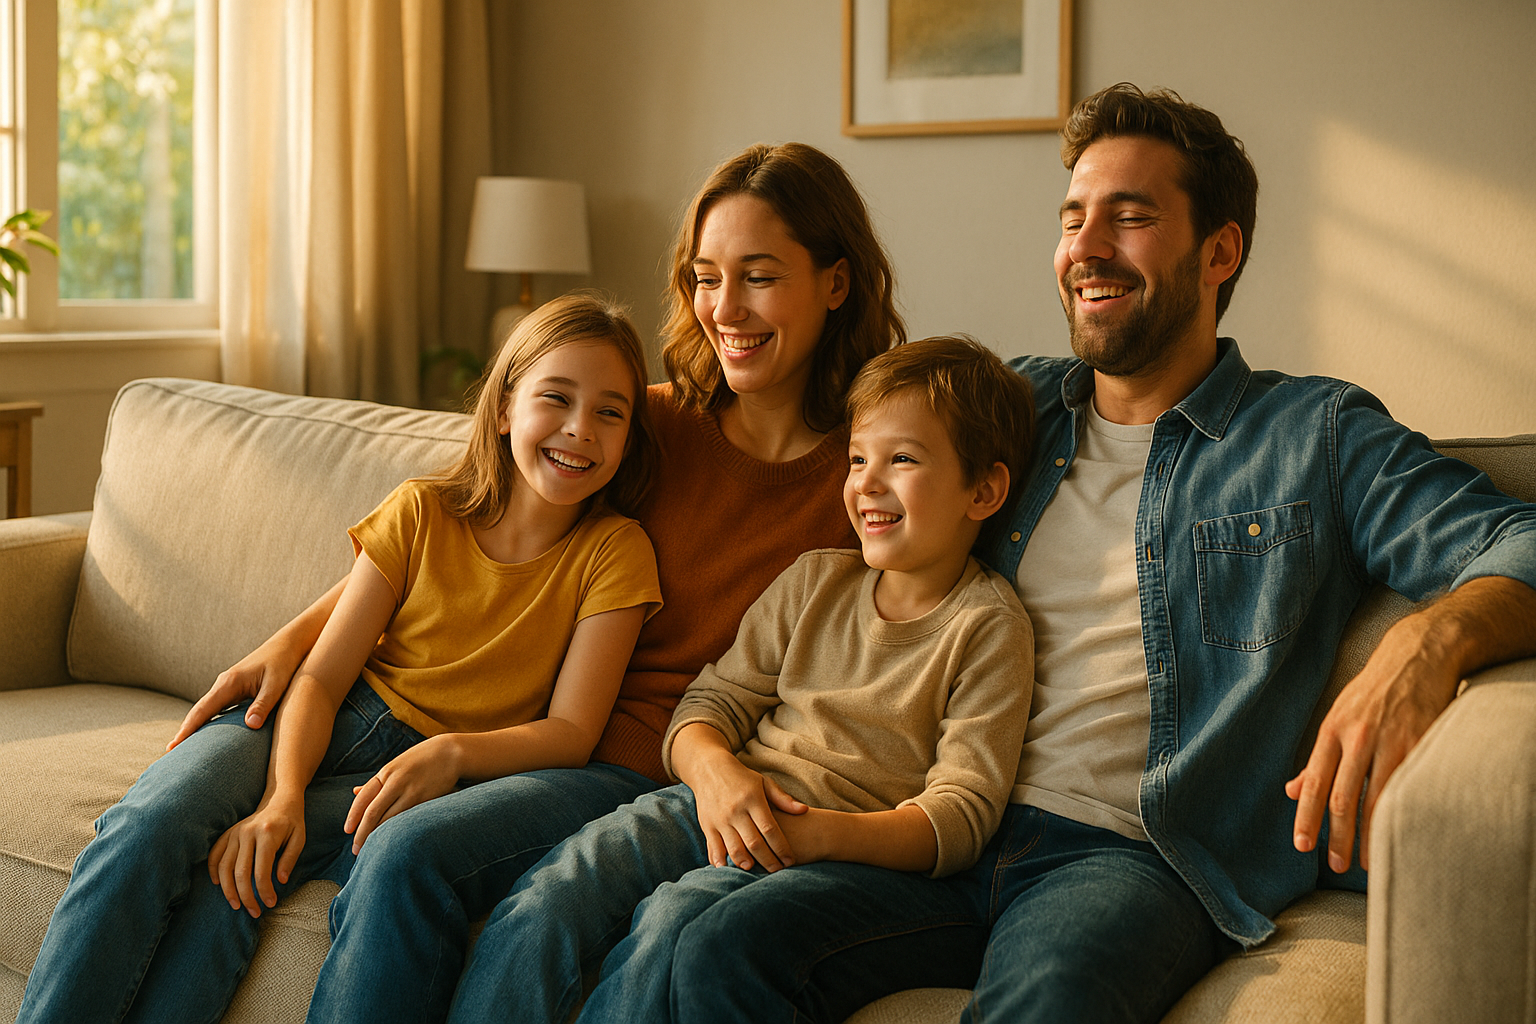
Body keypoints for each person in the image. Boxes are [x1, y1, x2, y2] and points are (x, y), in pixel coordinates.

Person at [661, 84, 1536, 1024]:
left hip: (1127, 853)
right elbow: (855, 436)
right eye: (1073, 217)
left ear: (1220, 251)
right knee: (721, 949)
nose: (1086, 247)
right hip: (947, 822)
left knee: (1049, 1002)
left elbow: (1517, 539)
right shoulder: (1016, 406)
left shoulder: (1313, 434)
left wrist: (1427, 644)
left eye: (1130, 217)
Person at [159, 142, 905, 1023]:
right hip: (544, 743)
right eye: (705, 277)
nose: (724, 308)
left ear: (837, 282)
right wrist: (293, 643)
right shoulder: (645, 421)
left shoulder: (872, 472)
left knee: (410, 855)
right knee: (241, 841)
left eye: (759, 276)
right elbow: (452, 525)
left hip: (667, 775)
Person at [15, 292, 665, 1024]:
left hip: (423, 770)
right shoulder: (422, 510)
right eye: (557, 398)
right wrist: (281, 797)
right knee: (147, 825)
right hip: (320, 715)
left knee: (237, 873)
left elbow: (573, 732)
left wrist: (452, 753)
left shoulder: (615, 552)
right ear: (507, 405)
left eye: (611, 412)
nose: (581, 428)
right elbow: (321, 675)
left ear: (629, 436)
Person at [444, 336, 1037, 1024]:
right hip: (716, 802)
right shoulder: (816, 579)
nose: (866, 483)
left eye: (901, 460)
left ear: (985, 490)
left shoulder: (988, 627)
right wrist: (717, 774)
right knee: (550, 895)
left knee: (672, 924)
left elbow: (961, 816)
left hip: (831, 847)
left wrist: (819, 834)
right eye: (856, 459)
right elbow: (707, 706)